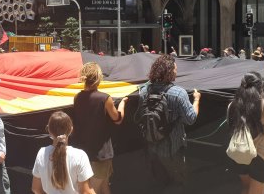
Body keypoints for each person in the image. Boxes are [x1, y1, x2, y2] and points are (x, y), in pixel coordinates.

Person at [137, 55, 200, 189]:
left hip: (152, 144)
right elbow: (191, 119)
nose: (177, 72)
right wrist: (197, 100)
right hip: (174, 147)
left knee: (159, 180)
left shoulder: (143, 92)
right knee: (178, 181)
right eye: (175, 69)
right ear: (169, 72)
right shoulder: (178, 93)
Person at [72, 63, 127, 194]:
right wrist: (123, 103)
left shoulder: (77, 97)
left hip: (84, 152)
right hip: (101, 154)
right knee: (94, 189)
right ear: (98, 78)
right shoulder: (105, 98)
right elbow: (117, 119)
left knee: (104, 185)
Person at [32, 111, 95, 194]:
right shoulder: (80, 156)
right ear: (71, 129)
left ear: (49, 130)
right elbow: (86, 192)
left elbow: (36, 189)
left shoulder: (41, 153)